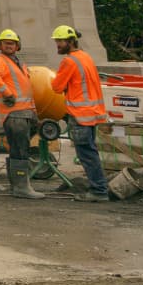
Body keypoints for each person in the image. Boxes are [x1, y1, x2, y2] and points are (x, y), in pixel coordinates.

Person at [51, 25, 114, 202]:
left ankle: (99, 190)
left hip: (80, 115)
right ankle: (99, 187)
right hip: (93, 114)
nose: (57, 45)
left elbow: (56, 87)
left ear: (71, 41)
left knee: (87, 154)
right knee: (90, 152)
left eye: (60, 41)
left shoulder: (69, 61)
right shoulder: (85, 57)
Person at [0, 30, 44, 200]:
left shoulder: (20, 64)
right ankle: (21, 188)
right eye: (5, 42)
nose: (9, 45)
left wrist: (34, 114)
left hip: (24, 113)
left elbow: (27, 90)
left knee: (20, 148)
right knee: (20, 150)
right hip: (14, 114)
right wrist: (7, 93)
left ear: (17, 45)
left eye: (11, 43)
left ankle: (17, 185)